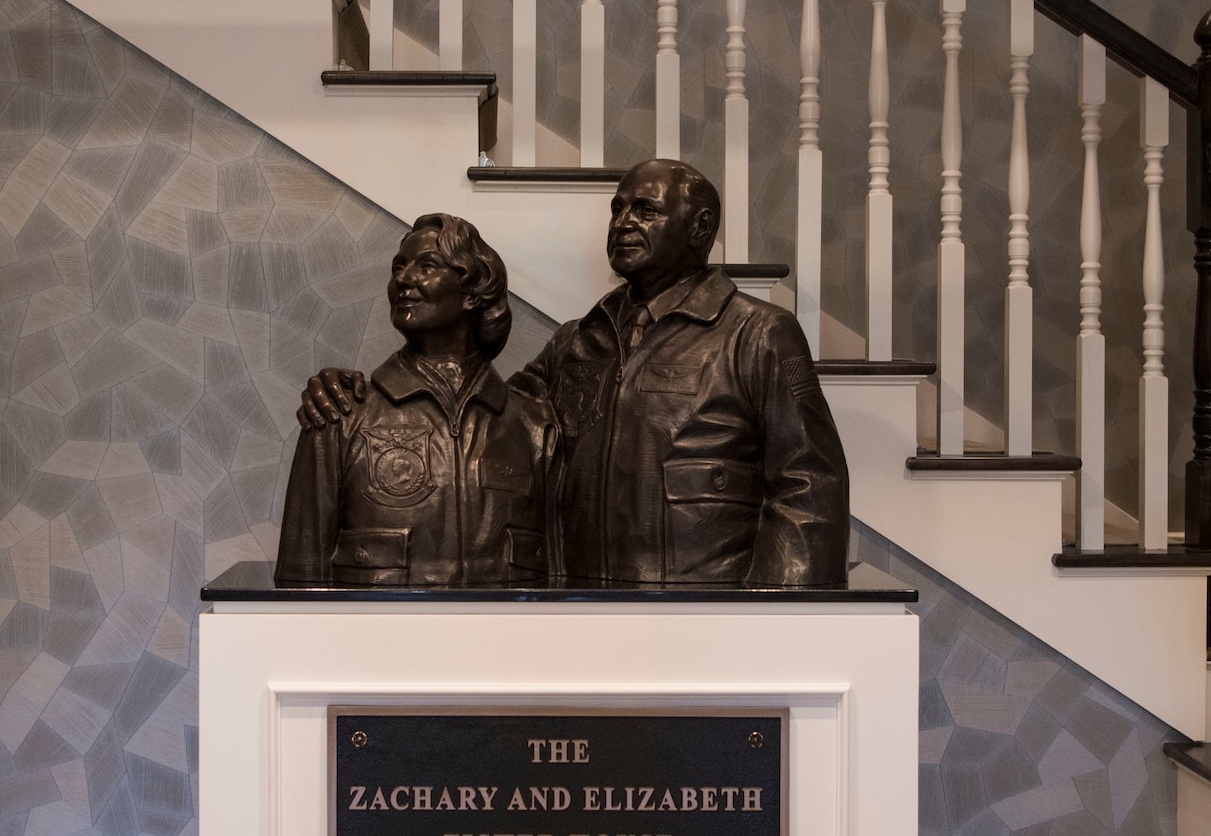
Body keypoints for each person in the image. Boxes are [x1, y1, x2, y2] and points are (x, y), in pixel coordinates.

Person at [299, 159, 850, 587]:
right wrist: (355, 393)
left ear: (701, 227)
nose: (624, 222)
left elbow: (810, 486)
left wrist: (777, 623)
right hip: (586, 618)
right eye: (617, 209)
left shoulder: (756, 333)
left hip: (705, 617)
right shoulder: (577, 342)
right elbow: (486, 421)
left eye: (646, 210)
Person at [274, 214, 555, 587]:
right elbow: (301, 576)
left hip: (501, 645)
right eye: (398, 268)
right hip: (376, 645)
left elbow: (561, 582)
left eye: (427, 266)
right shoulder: (342, 415)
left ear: (473, 292)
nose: (403, 280)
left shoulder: (533, 427)